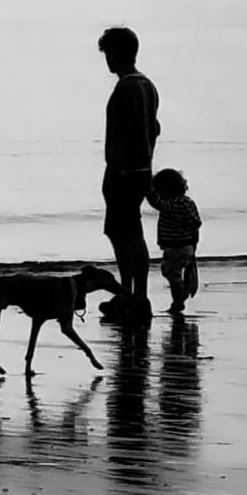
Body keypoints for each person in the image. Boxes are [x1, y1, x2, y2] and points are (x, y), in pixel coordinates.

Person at [96, 26, 160, 322]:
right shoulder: (147, 85)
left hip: (124, 173)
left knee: (122, 235)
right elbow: (153, 129)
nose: (106, 60)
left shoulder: (126, 88)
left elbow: (127, 132)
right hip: (141, 170)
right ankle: (138, 295)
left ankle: (128, 297)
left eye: (107, 54)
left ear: (114, 54)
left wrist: (118, 168)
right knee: (133, 233)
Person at [148, 167, 202, 314]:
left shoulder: (171, 204)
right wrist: (194, 243)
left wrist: (148, 190)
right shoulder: (188, 203)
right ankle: (182, 293)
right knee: (176, 272)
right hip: (188, 245)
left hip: (174, 247)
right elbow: (196, 223)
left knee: (172, 275)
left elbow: (157, 203)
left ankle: (178, 303)